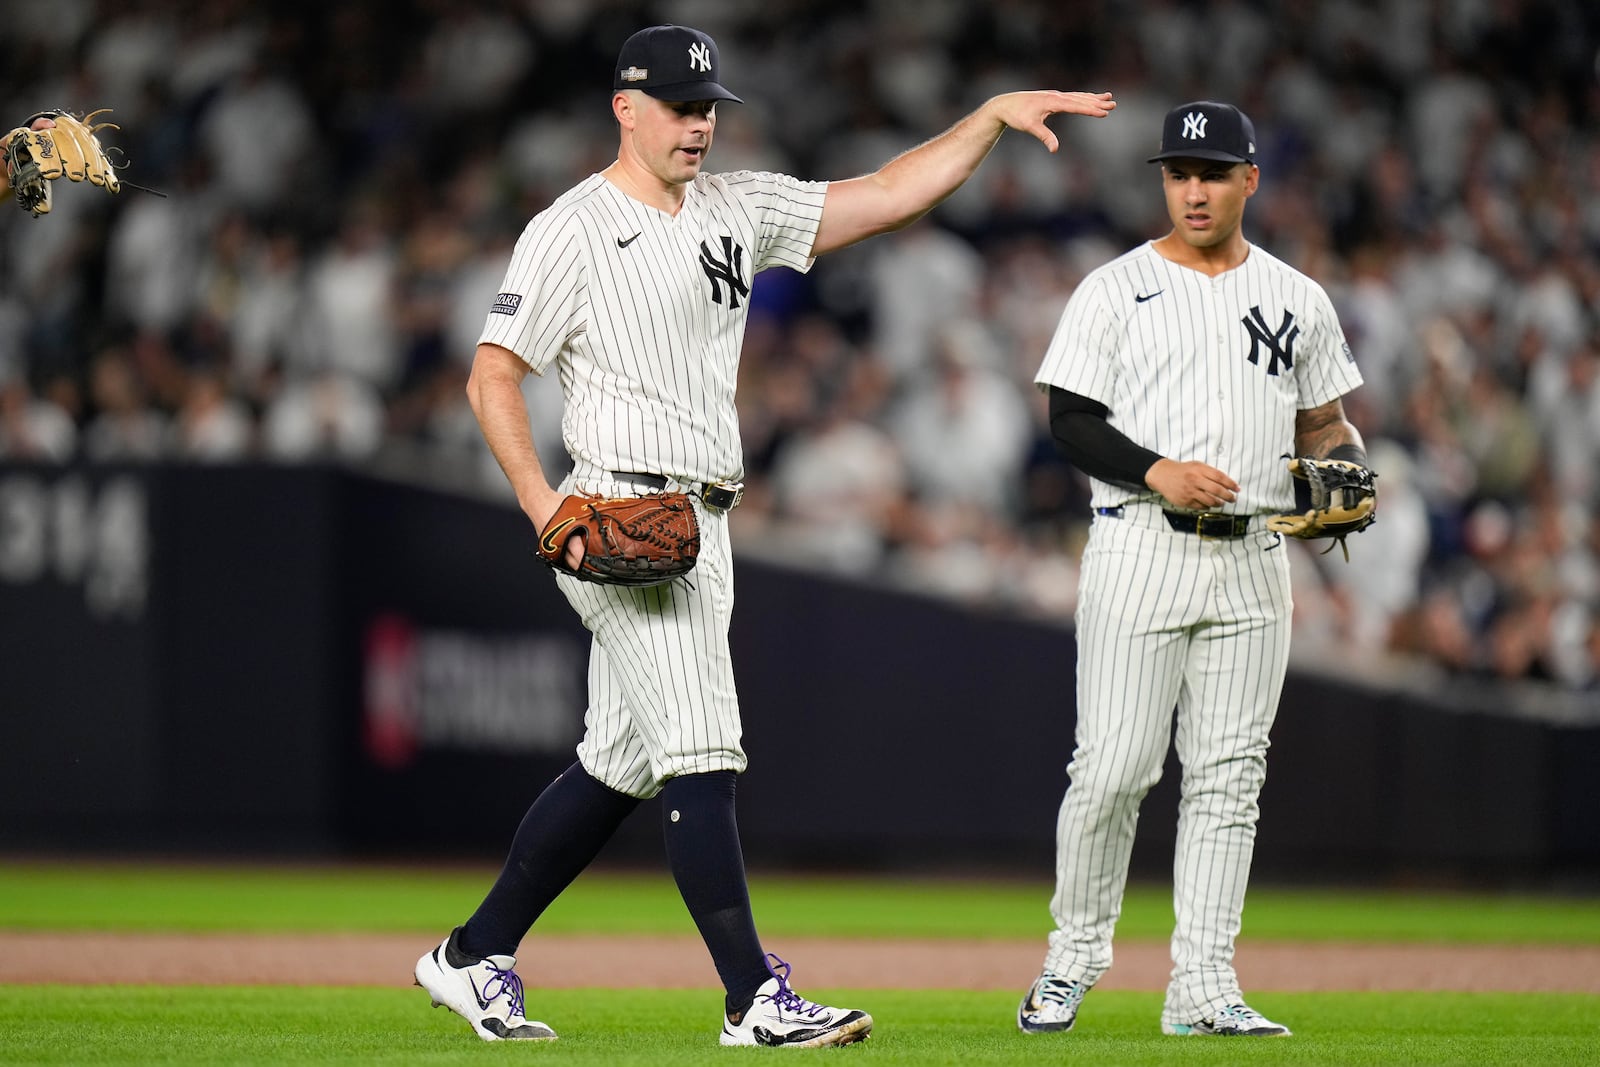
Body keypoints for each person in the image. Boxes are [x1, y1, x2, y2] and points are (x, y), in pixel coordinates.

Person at [413, 23, 1115, 1047]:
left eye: (708, 107)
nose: (699, 123)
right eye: (678, 106)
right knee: (702, 749)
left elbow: (886, 191)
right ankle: (755, 997)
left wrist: (988, 122)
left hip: (704, 515)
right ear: (625, 108)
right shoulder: (570, 228)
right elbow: (491, 374)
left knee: (620, 760)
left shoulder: (737, 206)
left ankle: (472, 956)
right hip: (614, 510)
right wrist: (543, 506)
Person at [1016, 100, 1370, 1039]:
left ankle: (1204, 987)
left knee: (1228, 777)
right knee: (1113, 769)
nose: (1195, 189)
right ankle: (1071, 958)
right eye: (1179, 173)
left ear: (1250, 180)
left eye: (1212, 173)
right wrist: (1157, 470)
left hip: (1254, 558)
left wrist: (1344, 467)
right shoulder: (1113, 287)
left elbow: (1324, 423)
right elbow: (1070, 419)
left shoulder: (1298, 295)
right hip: (1140, 541)